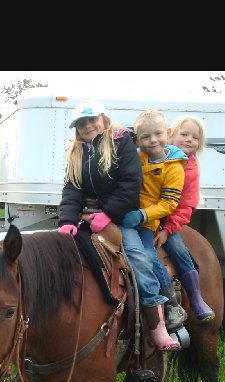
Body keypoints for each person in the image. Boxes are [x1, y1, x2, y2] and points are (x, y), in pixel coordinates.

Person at [58, 99, 181, 351]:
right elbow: (72, 189)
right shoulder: (77, 152)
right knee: (60, 255)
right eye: (82, 123)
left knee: (138, 257)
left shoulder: (121, 142)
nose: (88, 126)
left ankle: (157, 324)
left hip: (121, 216)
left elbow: (130, 183)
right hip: (88, 218)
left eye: (92, 119)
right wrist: (67, 221)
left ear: (103, 119)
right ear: (76, 128)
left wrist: (109, 213)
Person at [122, 109, 189, 333]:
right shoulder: (137, 157)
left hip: (145, 223)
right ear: (137, 139)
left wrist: (142, 215)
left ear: (168, 133)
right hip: (125, 215)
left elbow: (169, 203)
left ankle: (170, 303)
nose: (152, 141)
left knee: (148, 257)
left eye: (157, 134)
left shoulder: (174, 168)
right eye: (145, 137)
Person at [154, 116, 215, 321]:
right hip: (147, 214)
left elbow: (187, 206)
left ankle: (196, 297)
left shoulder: (191, 170)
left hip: (169, 221)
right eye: (184, 134)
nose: (189, 139)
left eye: (195, 137)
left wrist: (167, 229)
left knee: (178, 249)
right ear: (171, 134)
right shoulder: (156, 156)